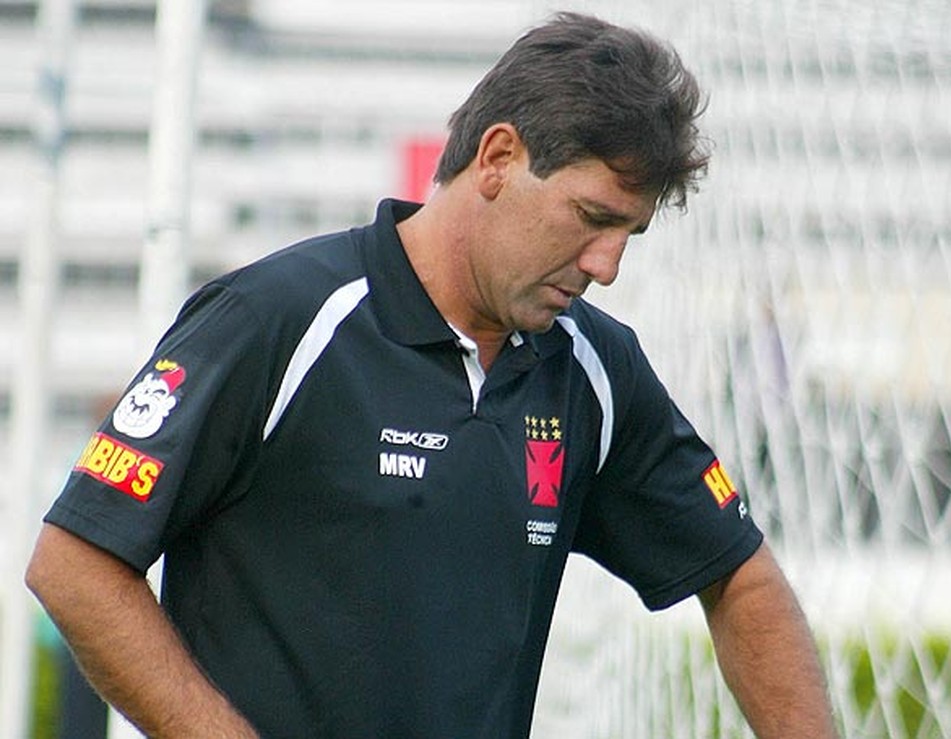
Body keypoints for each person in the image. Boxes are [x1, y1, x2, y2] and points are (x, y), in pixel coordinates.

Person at [26, 12, 838, 738]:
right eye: (593, 218)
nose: (607, 265)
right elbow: (74, 562)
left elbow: (741, 576)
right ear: (498, 158)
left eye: (629, 233)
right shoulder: (280, 318)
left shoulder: (596, 369)